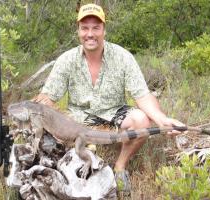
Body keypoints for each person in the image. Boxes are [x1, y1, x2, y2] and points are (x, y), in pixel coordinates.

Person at [34, 3, 185, 193]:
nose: (90, 33)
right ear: (78, 31)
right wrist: (34, 108)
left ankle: (120, 167)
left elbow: (142, 95)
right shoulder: (66, 59)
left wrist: (162, 120)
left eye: (96, 27)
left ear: (104, 29)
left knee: (141, 120)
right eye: (85, 28)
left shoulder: (123, 56)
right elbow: (48, 98)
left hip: (114, 113)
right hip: (78, 118)